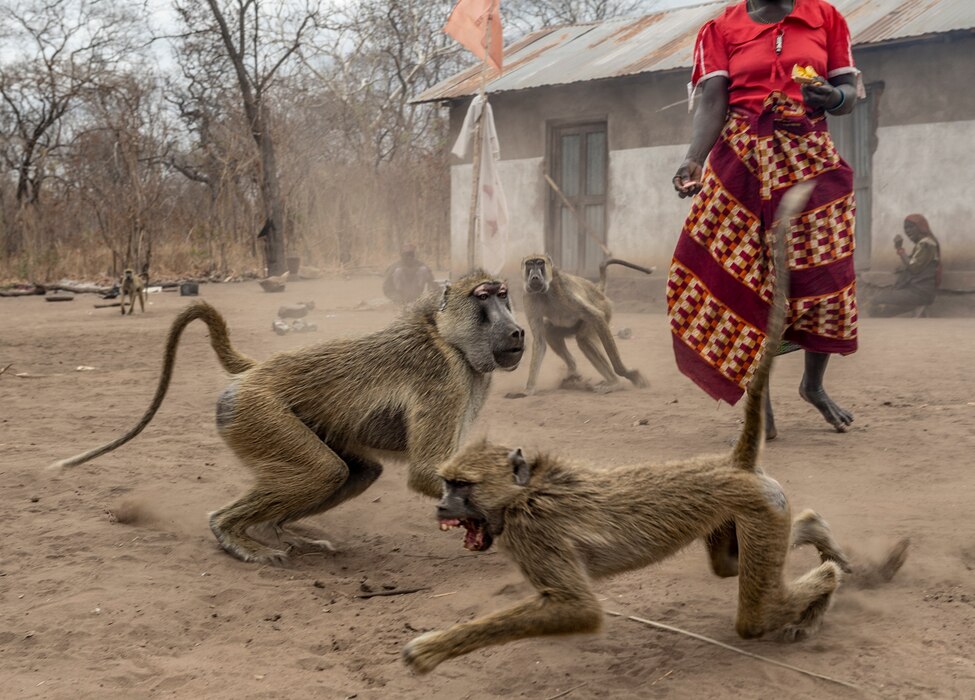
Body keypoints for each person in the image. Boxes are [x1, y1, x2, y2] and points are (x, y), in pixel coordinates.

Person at [670, 0, 860, 438]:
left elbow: (847, 95)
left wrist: (832, 96)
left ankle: (813, 385)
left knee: (824, 276)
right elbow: (712, 101)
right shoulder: (719, 29)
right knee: (744, 280)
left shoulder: (825, 17)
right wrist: (692, 159)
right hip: (741, 163)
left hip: (809, 157)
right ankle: (760, 400)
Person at [868, 214, 941, 317]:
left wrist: (899, 249)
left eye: (911, 227)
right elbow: (917, 265)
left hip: (919, 293)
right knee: (881, 311)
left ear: (921, 227)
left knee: (877, 298)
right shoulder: (924, 243)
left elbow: (914, 267)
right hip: (918, 292)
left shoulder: (926, 244)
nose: (908, 231)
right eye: (906, 228)